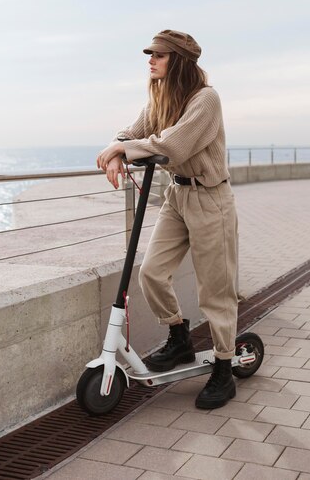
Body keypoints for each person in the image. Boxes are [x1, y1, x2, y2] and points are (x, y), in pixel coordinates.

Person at [97, 29, 238, 409]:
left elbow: (172, 144)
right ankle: (180, 338)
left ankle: (224, 368)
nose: (150, 60)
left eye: (158, 55)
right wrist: (118, 149)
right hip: (177, 195)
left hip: (211, 199)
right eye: (150, 54)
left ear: (177, 60)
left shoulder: (206, 100)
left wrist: (121, 149)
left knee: (215, 291)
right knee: (152, 273)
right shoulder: (160, 97)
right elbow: (134, 132)